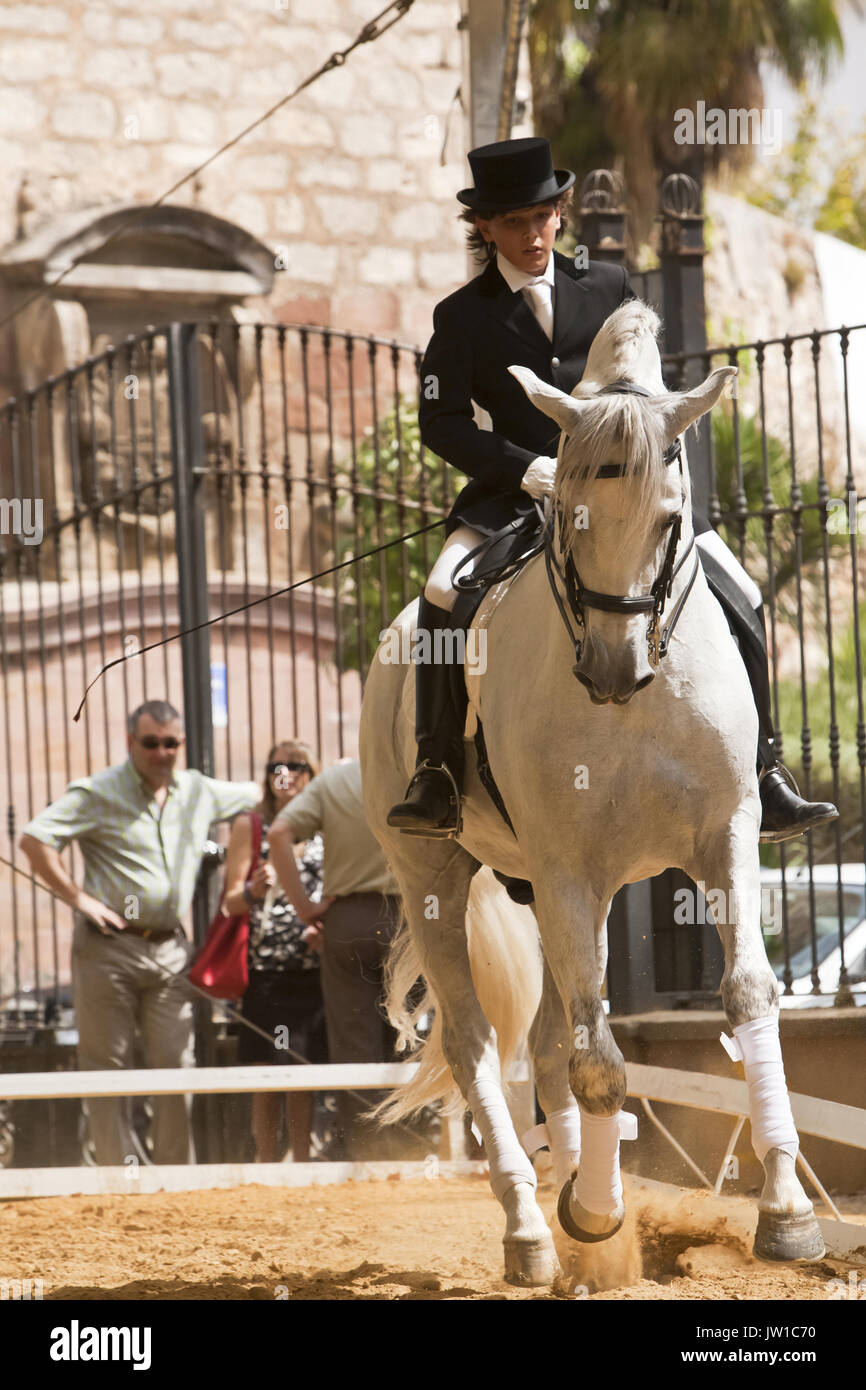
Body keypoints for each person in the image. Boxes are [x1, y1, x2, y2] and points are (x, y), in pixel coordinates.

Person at [386, 136, 837, 844]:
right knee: (444, 590)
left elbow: (650, 392)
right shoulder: (462, 316)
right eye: (514, 223)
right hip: (518, 494)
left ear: (561, 212)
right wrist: (520, 467)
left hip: (625, 496)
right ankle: (437, 770)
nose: (532, 236)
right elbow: (440, 424)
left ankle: (768, 771)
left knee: (742, 590)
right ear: (484, 227)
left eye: (542, 217)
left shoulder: (608, 286)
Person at [19, 700, 261, 1165]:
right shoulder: (98, 791)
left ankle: (171, 1180)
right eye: (151, 743)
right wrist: (78, 898)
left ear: (181, 745)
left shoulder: (198, 790)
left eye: (171, 743)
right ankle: (117, 1178)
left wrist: (310, 778)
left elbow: (260, 797)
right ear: (131, 742)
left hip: (170, 949)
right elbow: (34, 838)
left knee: (176, 1064)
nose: (162, 752)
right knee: (107, 1066)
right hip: (107, 950)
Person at [267, 757, 403, 1160]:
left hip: (347, 919)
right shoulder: (412, 766)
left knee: (354, 1039)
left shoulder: (336, 779)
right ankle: (411, 1141)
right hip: (414, 917)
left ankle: (367, 1149)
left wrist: (304, 907)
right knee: (411, 1032)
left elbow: (278, 833)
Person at [222, 740, 326, 1163]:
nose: (286, 774)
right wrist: (252, 888)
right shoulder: (252, 825)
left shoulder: (325, 824)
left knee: (302, 1069)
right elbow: (229, 902)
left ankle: (300, 1161)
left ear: (311, 774)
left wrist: (325, 924)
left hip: (313, 967)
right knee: (265, 1070)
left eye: (297, 766)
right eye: (276, 766)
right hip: (266, 970)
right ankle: (266, 1161)